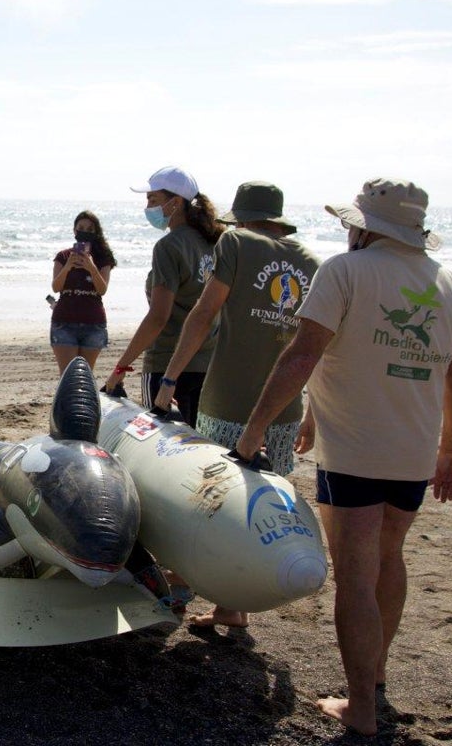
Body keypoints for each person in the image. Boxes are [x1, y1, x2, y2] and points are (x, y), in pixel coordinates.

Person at [234, 178, 452, 736]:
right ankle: (378, 677)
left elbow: (302, 355)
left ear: (365, 227)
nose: (347, 231)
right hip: (414, 452)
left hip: (357, 455)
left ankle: (360, 708)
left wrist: (252, 433)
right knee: (389, 558)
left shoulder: (344, 272)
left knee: (357, 578)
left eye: (351, 223)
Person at [153, 181, 319, 630]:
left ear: (242, 217)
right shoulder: (309, 261)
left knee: (210, 501)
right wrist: (312, 414)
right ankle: (233, 606)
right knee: (257, 506)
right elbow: (316, 346)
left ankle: (200, 589)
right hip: (283, 409)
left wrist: (170, 376)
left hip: (228, 399)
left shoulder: (236, 242)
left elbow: (204, 313)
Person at [103, 166, 224, 426]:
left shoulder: (169, 247)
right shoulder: (214, 243)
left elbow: (158, 317)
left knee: (165, 445)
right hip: (207, 366)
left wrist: (120, 368)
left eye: (153, 200)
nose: (148, 207)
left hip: (166, 364)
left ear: (175, 203)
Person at [50, 211, 117, 374]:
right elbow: (56, 287)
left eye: (89, 229)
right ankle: (67, 401)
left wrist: (91, 267)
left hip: (93, 323)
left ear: (96, 232)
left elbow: (102, 290)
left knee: (85, 376)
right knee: (68, 376)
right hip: (64, 322)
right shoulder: (63, 256)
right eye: (80, 227)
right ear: (74, 231)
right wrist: (68, 266)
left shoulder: (102, 257)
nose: (84, 231)